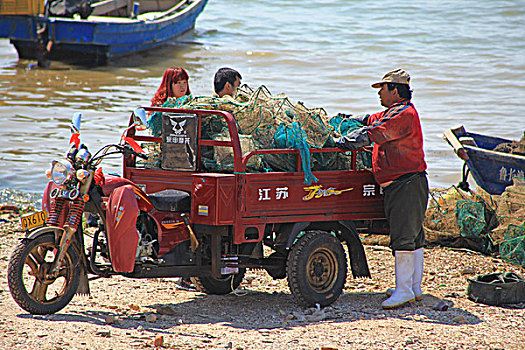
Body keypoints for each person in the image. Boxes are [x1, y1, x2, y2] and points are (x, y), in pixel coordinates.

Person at [335, 68, 428, 309]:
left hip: (406, 184)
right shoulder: (393, 111)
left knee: (404, 237)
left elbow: (373, 133)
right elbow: (370, 119)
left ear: (395, 91)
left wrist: (340, 142)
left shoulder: (403, 115)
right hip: (405, 183)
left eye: (382, 89)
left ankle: (405, 289)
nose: (379, 94)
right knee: (414, 235)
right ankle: (413, 287)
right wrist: (347, 117)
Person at [147, 66, 192, 137]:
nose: (182, 86)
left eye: (184, 82)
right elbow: (152, 127)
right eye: (178, 83)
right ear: (169, 85)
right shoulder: (159, 105)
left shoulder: (191, 104)